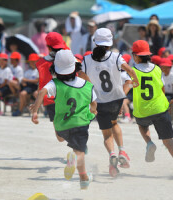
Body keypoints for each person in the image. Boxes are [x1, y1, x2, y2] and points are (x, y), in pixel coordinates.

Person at [30, 49, 96, 190]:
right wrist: (93, 110)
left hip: (61, 127)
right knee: (80, 151)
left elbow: (42, 92)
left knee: (73, 143)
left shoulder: (55, 84)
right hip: (81, 124)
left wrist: (35, 111)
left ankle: (72, 157)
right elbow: (94, 102)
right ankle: (83, 177)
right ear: (75, 68)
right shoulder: (87, 85)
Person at [82, 28, 139, 177]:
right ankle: (122, 150)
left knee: (107, 133)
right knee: (115, 123)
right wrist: (135, 79)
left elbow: (82, 78)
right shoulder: (116, 56)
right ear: (110, 42)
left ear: (95, 42)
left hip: (99, 101)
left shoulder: (86, 60)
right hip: (115, 99)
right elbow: (129, 70)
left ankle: (112, 154)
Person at [130, 40, 173, 179]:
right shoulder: (157, 69)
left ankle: (149, 143)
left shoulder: (133, 71)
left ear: (136, 56)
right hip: (160, 107)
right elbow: (161, 88)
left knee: (142, 126)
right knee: (168, 140)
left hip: (143, 109)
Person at [36, 32, 88, 142]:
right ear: (49, 48)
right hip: (52, 101)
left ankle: (75, 146)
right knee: (60, 137)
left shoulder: (69, 58)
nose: (57, 51)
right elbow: (42, 84)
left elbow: (81, 73)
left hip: (69, 97)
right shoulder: (42, 63)